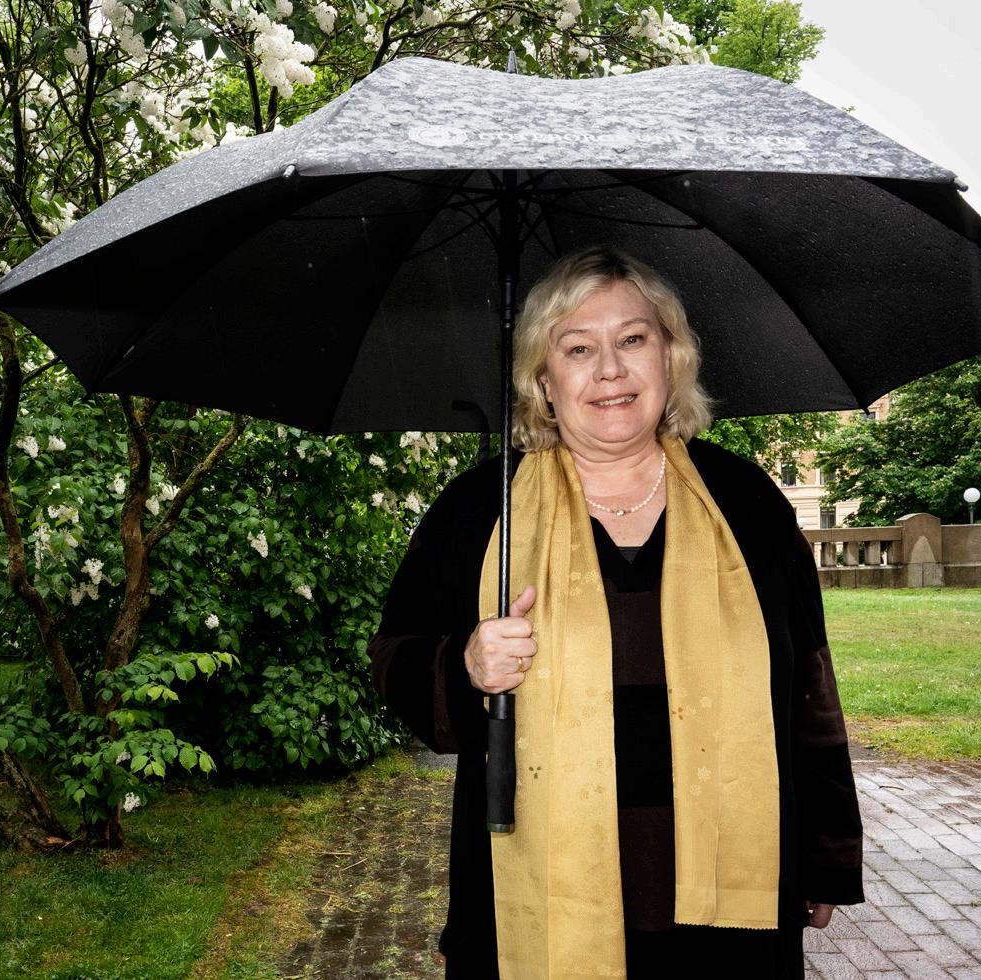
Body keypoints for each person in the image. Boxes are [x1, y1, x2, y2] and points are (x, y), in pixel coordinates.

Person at [368, 247, 864, 979]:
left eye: (633, 339)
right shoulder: (479, 513)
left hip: (726, 905)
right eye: (577, 348)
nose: (609, 370)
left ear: (672, 357)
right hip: (533, 894)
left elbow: (809, 691)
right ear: (544, 380)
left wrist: (827, 853)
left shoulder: (747, 504)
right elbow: (392, 661)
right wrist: (465, 666)